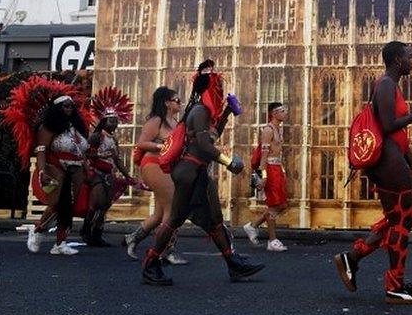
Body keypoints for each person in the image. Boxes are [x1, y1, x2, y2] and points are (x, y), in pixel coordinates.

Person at [333, 41, 412, 304]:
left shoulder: (392, 86)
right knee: (403, 220)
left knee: (397, 219)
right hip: (386, 162)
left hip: (395, 160)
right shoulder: (386, 85)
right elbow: (390, 126)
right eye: (409, 56)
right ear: (396, 60)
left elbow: (399, 134)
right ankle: (394, 285)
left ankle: (353, 258)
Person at [141, 60, 263, 286]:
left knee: (214, 219)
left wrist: (227, 111)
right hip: (190, 173)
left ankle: (233, 263)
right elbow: (205, 146)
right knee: (175, 220)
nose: (220, 91)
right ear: (208, 88)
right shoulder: (199, 111)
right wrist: (228, 162)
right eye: (217, 87)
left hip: (197, 172)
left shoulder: (204, 113)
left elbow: (213, 135)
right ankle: (149, 264)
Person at [0, 77, 90, 256]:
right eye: (65, 106)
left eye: (71, 106)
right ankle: (38, 229)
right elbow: (41, 150)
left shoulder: (76, 127)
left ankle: (60, 243)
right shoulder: (48, 127)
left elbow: (82, 150)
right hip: (55, 168)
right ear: (57, 109)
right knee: (56, 203)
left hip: (76, 169)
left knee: (68, 206)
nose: (69, 109)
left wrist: (86, 166)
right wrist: (42, 171)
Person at [124, 87, 187, 264]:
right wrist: (163, 146)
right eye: (176, 100)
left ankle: (133, 238)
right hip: (154, 164)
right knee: (173, 208)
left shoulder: (175, 122)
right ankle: (167, 250)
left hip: (168, 166)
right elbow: (142, 143)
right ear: (167, 102)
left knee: (160, 214)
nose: (179, 103)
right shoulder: (156, 120)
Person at [81, 87, 136, 247]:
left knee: (104, 206)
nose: (116, 123)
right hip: (97, 173)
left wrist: (127, 176)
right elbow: (85, 155)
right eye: (112, 120)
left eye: (117, 120)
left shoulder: (113, 139)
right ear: (105, 121)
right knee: (96, 204)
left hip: (109, 175)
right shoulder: (96, 136)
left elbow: (117, 160)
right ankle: (86, 231)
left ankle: (97, 235)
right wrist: (99, 156)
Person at [244, 102, 291, 252]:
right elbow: (264, 154)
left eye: (285, 110)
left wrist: (282, 171)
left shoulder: (278, 129)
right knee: (273, 205)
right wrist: (263, 175)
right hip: (269, 169)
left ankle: (253, 226)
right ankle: (272, 241)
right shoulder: (268, 130)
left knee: (282, 204)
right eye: (282, 111)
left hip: (277, 168)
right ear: (274, 113)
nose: (285, 113)